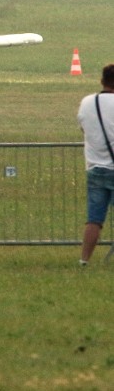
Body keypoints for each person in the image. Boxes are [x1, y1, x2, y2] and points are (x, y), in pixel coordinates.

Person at [77, 63, 114, 266]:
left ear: (102, 81)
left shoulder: (88, 102)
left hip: (95, 168)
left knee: (94, 219)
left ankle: (84, 260)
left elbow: (84, 129)